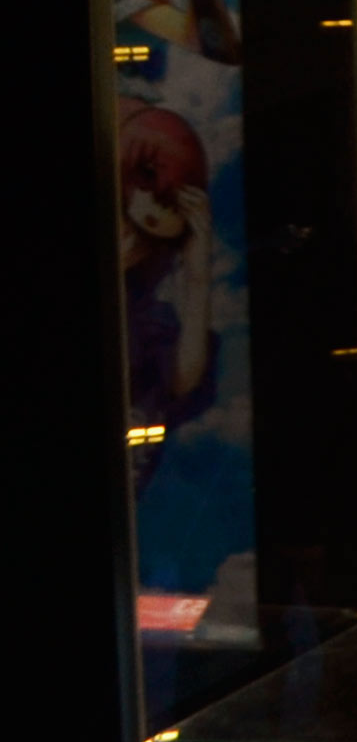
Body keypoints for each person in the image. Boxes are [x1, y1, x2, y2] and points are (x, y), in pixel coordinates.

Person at [115, 100, 217, 489]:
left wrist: (197, 272)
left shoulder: (147, 317)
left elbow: (181, 379)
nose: (130, 242)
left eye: (145, 236)